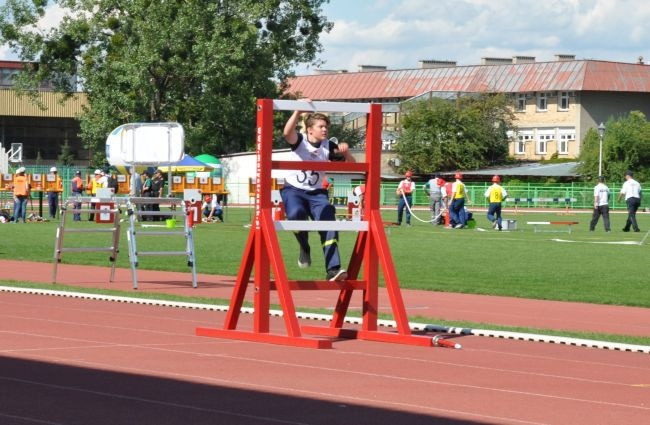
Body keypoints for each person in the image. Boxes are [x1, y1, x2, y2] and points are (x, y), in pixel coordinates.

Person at [281, 103, 354, 282]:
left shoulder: (328, 146)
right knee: (296, 214)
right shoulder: (300, 140)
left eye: (326, 127)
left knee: (329, 220)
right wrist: (297, 110)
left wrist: (346, 152)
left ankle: (333, 269)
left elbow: (351, 166)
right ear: (309, 130)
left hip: (317, 193)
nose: (325, 130)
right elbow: (286, 133)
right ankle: (304, 246)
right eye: (321, 126)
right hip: (294, 190)